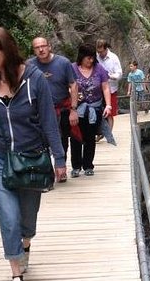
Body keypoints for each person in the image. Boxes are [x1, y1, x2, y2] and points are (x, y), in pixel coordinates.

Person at [0, 27, 65, 281]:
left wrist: (59, 158)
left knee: (27, 218)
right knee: (8, 216)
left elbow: (48, 119)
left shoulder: (34, 79)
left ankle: (24, 246)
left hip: (30, 158)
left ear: (6, 50)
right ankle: (15, 274)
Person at [28, 36, 79, 181]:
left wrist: (73, 109)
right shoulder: (30, 65)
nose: (41, 49)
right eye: (37, 47)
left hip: (61, 108)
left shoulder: (63, 63)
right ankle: (47, 173)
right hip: (39, 112)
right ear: (34, 50)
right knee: (41, 142)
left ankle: (60, 168)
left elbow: (73, 85)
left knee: (62, 140)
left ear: (49, 46)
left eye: (43, 46)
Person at [71, 43, 111, 177]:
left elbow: (105, 87)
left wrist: (108, 105)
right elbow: (67, 85)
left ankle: (88, 165)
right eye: (88, 58)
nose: (91, 60)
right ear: (81, 57)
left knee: (90, 137)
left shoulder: (99, 69)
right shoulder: (72, 68)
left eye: (92, 58)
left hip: (94, 108)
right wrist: (74, 96)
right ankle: (76, 166)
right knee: (76, 137)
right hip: (77, 108)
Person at [95, 39, 122, 142]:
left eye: (101, 51)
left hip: (111, 89)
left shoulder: (113, 58)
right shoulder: (96, 57)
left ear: (106, 49)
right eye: (98, 52)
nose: (100, 54)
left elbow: (119, 74)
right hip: (98, 88)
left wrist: (109, 76)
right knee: (98, 111)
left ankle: (108, 134)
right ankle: (99, 132)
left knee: (109, 113)